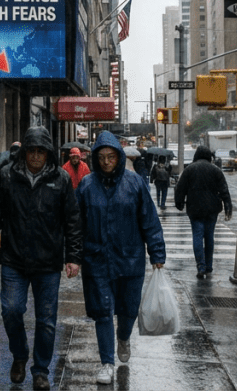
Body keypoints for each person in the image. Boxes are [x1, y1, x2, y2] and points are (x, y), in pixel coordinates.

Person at [0, 127, 82, 391]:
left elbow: (72, 220)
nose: (36, 156)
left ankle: (40, 370)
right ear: (24, 151)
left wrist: (73, 256)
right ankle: (20, 355)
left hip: (48, 262)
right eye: (32, 151)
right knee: (11, 310)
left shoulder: (60, 179)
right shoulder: (6, 176)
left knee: (46, 320)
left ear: (48, 153)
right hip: (14, 258)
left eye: (41, 151)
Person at [77, 131, 166, 385]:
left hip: (130, 259)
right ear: (95, 158)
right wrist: (72, 255)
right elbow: (76, 225)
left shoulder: (135, 183)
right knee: (103, 311)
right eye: (102, 157)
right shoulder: (85, 186)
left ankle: (124, 337)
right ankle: (106, 362)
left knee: (128, 310)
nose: (106, 162)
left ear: (118, 157)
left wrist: (157, 252)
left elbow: (149, 220)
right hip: (97, 260)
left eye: (111, 157)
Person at [174, 145, 232, 279]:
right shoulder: (216, 170)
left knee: (197, 236)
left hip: (194, 209)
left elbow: (180, 188)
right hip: (212, 209)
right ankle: (209, 265)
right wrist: (228, 206)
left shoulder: (189, 169)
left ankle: (201, 266)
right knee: (209, 236)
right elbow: (224, 190)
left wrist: (179, 203)